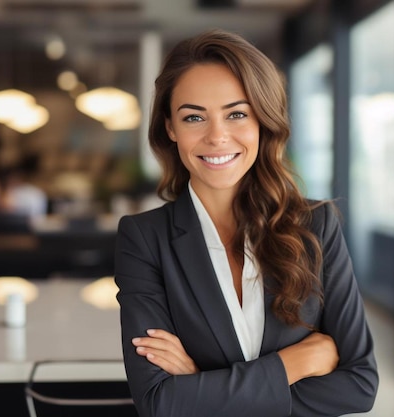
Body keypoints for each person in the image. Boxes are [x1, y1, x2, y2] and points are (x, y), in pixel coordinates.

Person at [114, 29, 378, 417]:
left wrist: (200, 381)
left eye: (236, 114)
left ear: (262, 121)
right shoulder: (144, 239)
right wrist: (294, 364)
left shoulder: (316, 226)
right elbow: (158, 402)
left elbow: (359, 386)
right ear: (170, 128)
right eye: (193, 117)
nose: (217, 137)